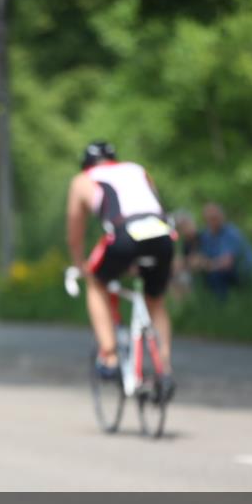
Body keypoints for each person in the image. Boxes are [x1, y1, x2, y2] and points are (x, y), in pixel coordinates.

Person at [65, 140, 175, 394]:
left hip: (125, 235)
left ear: (86, 164)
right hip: (162, 236)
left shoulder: (82, 180)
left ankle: (110, 356)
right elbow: (154, 205)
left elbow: (75, 233)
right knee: (155, 300)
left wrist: (79, 263)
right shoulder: (137, 169)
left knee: (95, 280)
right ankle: (165, 369)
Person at [191, 203, 252, 299]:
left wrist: (206, 264)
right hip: (219, 269)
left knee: (215, 275)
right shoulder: (207, 235)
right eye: (209, 219)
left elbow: (226, 263)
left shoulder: (231, 233)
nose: (213, 221)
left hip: (241, 272)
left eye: (215, 217)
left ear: (222, 216)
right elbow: (199, 256)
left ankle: (223, 308)